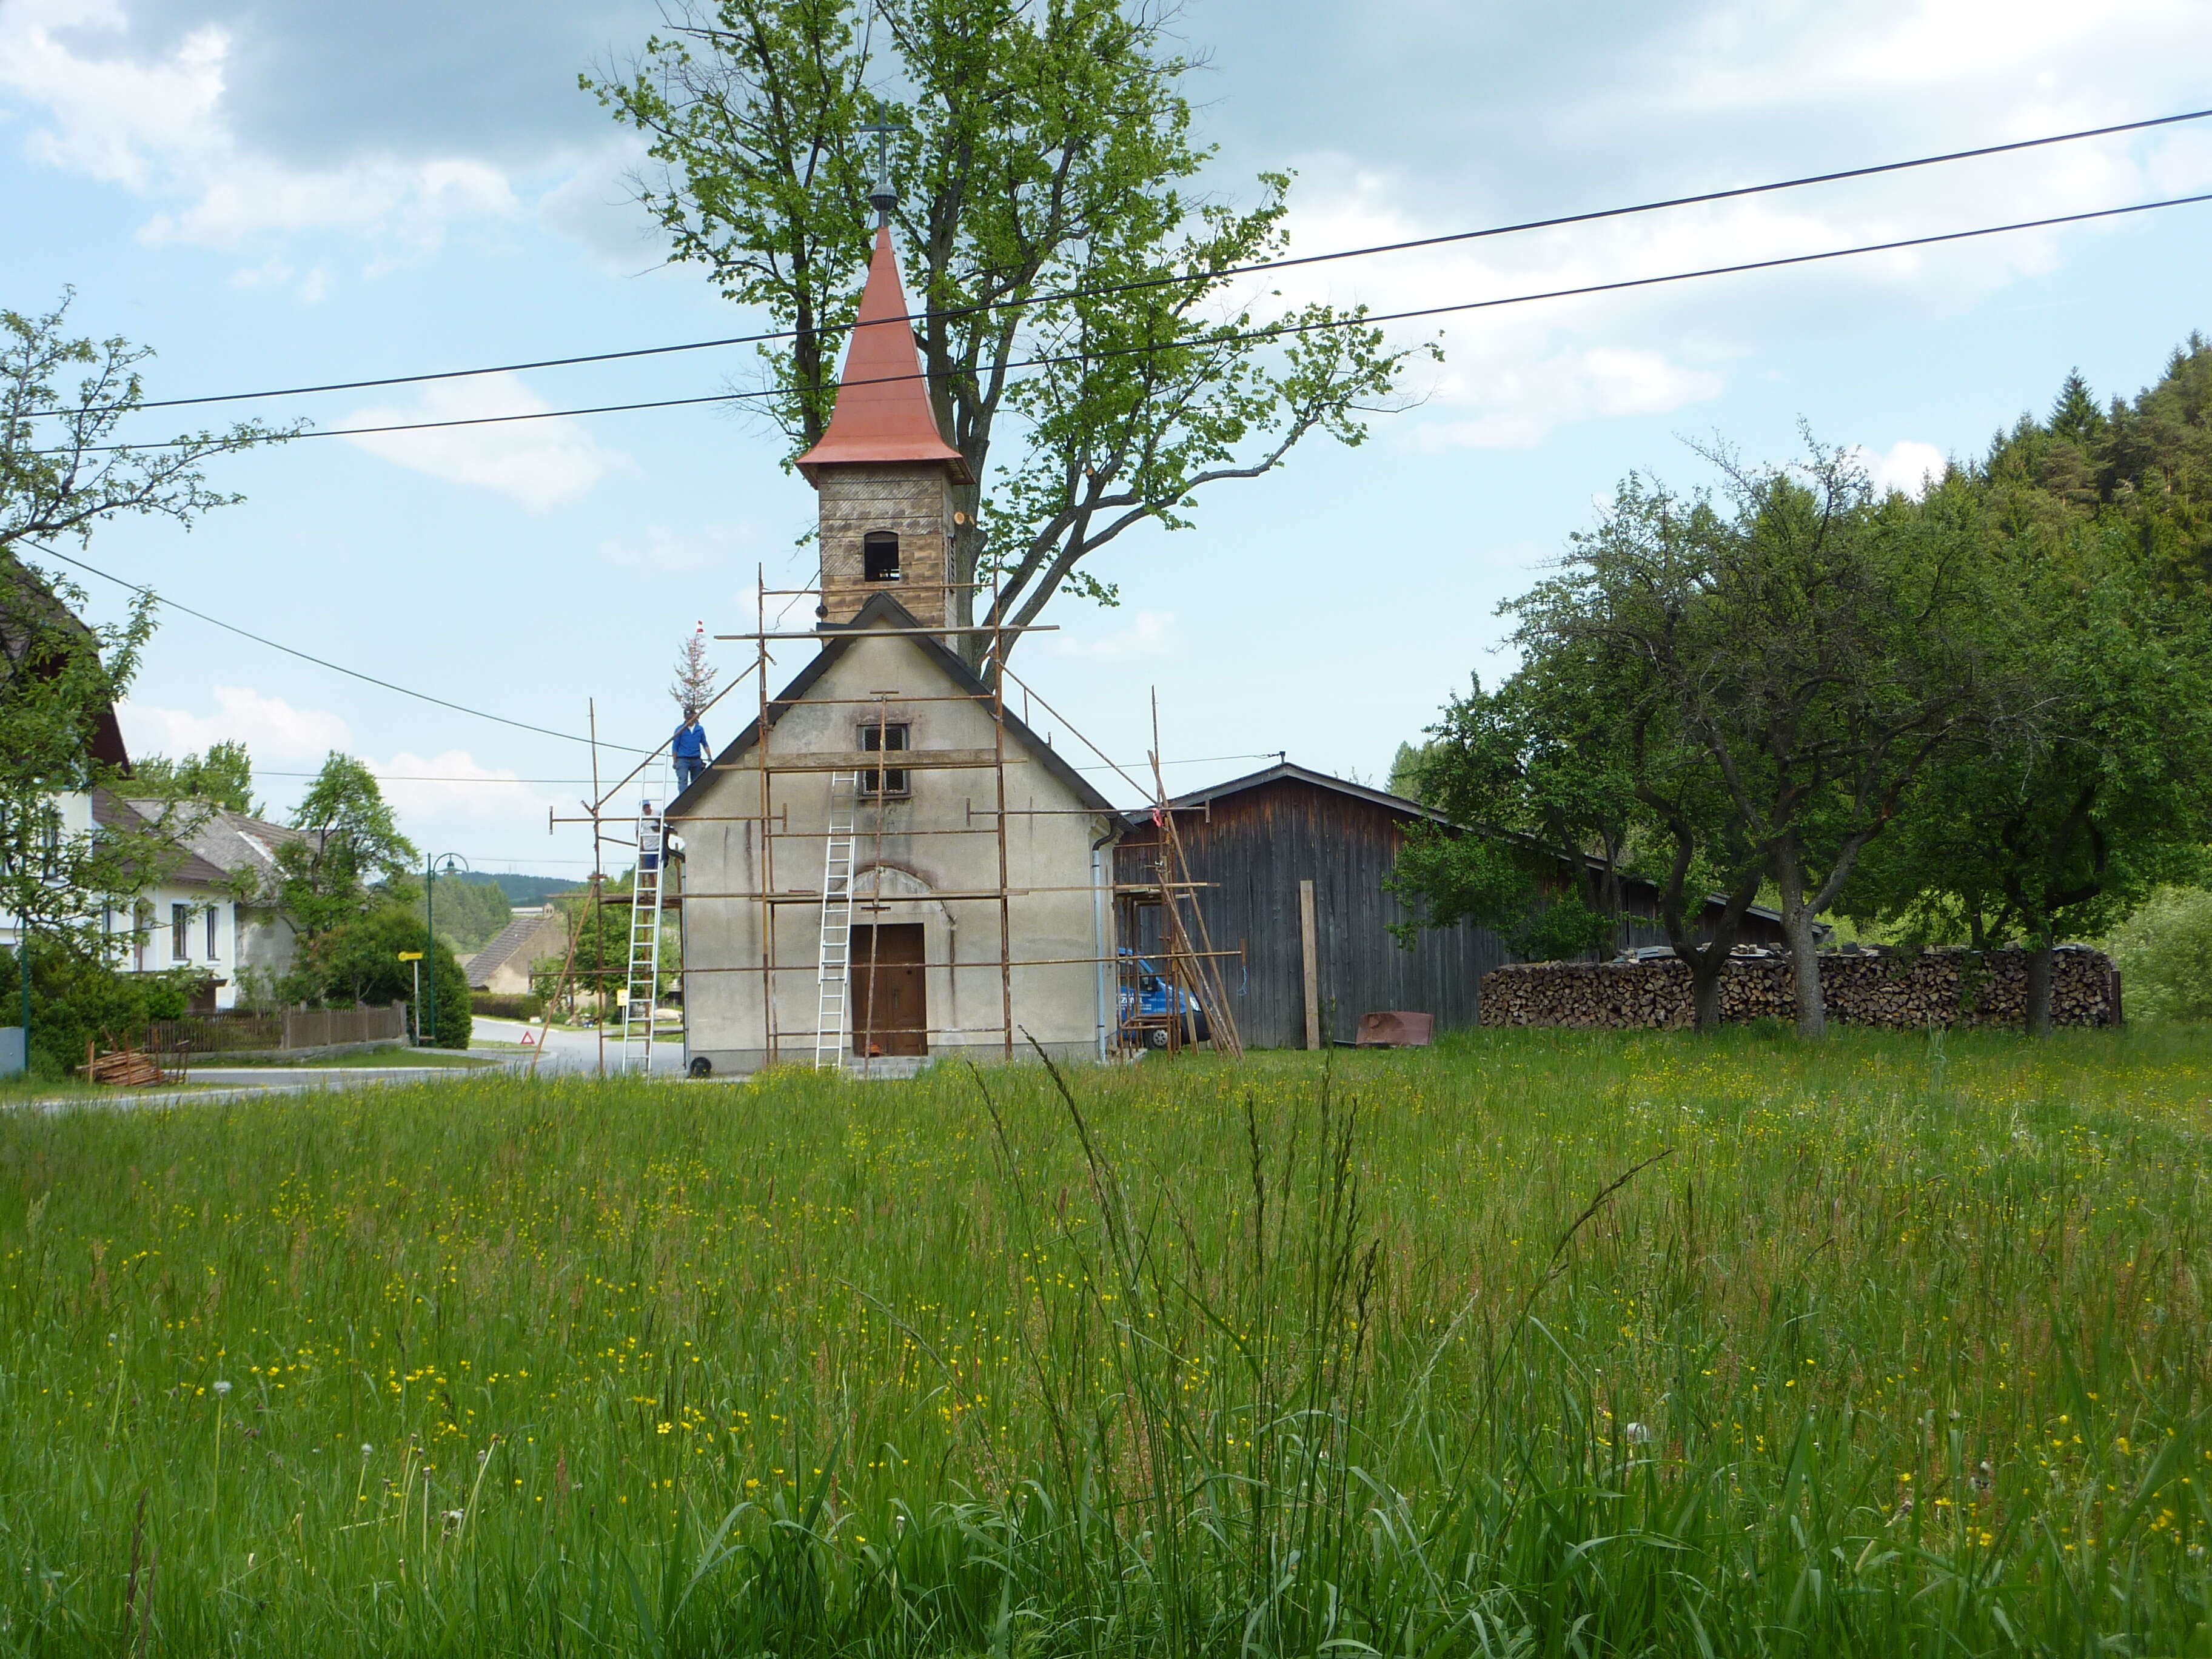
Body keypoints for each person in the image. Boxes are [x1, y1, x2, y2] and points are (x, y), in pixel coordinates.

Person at [672, 708, 711, 790]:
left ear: (694, 716)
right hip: (683, 759)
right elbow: (675, 746)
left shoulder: (699, 729)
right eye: (688, 718)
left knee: (696, 782)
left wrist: (709, 756)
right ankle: (683, 800)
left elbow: (705, 743)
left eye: (691, 717)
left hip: (696, 759)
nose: (689, 720)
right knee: (683, 780)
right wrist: (675, 761)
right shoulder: (680, 730)